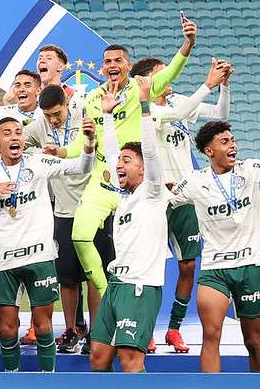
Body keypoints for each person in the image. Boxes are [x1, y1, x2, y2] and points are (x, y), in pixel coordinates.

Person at [53, 18, 196, 353]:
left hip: (138, 183)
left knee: (142, 250)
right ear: (102, 68)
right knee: (79, 235)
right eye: (108, 62)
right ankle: (108, 292)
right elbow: (79, 143)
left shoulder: (140, 88)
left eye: (118, 61)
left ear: (128, 66)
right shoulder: (92, 99)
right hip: (103, 181)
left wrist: (187, 45)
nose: (112, 66)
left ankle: (142, 326)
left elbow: (170, 74)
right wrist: (59, 151)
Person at [0, 113, 95, 372]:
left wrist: (89, 143)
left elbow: (80, 167)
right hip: (4, 262)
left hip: (39, 256)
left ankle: (48, 380)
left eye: (18, 132)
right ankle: (13, 379)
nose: (14, 137)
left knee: (43, 323)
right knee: (7, 328)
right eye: (7, 133)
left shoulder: (38, 161)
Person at [133, 56, 232, 353]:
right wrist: (207, 84)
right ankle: (145, 329)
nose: (170, 78)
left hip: (186, 196)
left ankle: (173, 329)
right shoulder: (145, 108)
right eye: (163, 74)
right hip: (157, 198)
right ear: (145, 82)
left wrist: (223, 87)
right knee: (148, 266)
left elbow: (219, 113)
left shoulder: (177, 101)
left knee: (188, 265)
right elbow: (182, 112)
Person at [24, 84, 114, 353]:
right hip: (62, 211)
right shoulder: (39, 125)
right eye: (48, 115)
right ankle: (72, 330)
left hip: (93, 206)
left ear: (66, 103)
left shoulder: (84, 115)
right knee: (67, 278)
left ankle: (96, 333)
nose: (53, 119)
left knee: (94, 274)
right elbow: (12, 139)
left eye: (56, 113)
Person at [89, 76, 169, 373]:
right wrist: (107, 116)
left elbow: (149, 150)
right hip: (116, 286)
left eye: (127, 160)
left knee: (130, 359)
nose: (119, 164)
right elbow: (110, 155)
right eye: (120, 160)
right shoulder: (123, 195)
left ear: (143, 168)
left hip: (140, 287)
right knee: (98, 357)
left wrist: (145, 104)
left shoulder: (153, 190)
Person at [168, 120, 260, 372]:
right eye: (225, 142)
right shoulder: (195, 181)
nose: (233, 146)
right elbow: (165, 200)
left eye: (233, 140)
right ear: (209, 151)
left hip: (251, 266)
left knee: (255, 342)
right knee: (210, 334)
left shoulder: (252, 169)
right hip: (214, 268)